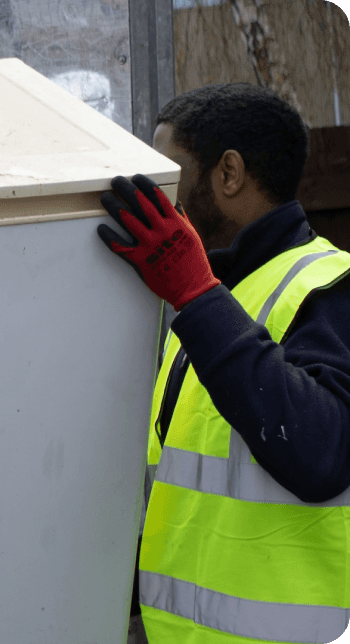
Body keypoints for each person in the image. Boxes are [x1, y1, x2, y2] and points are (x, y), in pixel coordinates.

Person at [97, 83, 350, 644]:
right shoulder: (213, 297)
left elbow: (321, 453)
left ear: (228, 173)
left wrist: (194, 293)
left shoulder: (329, 286)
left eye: (169, 171)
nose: (160, 195)